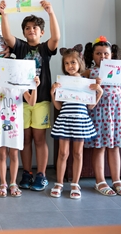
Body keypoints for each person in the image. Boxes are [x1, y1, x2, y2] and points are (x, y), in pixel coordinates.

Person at [0, 0, 60, 191]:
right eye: (27, 28)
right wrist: (4, 15)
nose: (31, 30)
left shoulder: (45, 49)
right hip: (21, 101)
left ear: (41, 32)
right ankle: (27, 173)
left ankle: (41, 174)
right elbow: (7, 36)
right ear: (24, 32)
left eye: (35, 28)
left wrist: (50, 13)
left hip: (41, 100)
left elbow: (56, 38)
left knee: (39, 138)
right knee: (24, 139)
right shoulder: (21, 47)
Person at [83, 36, 121, 196]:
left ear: (111, 55)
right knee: (99, 147)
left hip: (116, 114)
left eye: (106, 53)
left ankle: (116, 180)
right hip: (98, 113)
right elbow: (80, 87)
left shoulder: (119, 72)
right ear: (92, 55)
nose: (102, 57)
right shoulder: (90, 72)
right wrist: (93, 82)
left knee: (115, 148)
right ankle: (100, 181)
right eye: (98, 53)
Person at [49, 47, 103, 199]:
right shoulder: (62, 83)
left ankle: (75, 184)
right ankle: (59, 183)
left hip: (80, 121)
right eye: (66, 63)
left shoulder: (87, 83)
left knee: (78, 153)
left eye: (73, 62)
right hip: (65, 120)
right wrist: (52, 94)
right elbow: (58, 107)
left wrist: (100, 93)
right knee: (63, 153)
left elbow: (91, 106)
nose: (70, 66)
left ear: (80, 62)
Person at [0, 71, 40, 197]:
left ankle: (13, 182)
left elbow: (32, 102)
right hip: (1, 124)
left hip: (15, 125)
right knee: (2, 153)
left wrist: (35, 87)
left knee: (14, 154)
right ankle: (3, 182)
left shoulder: (20, 85)